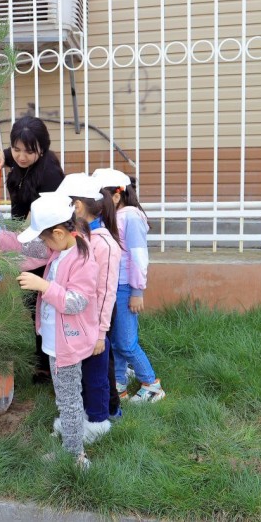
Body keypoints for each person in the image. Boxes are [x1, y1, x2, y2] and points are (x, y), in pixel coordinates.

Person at [0, 193, 98, 469]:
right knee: (64, 398)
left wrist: (43, 286)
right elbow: (29, 249)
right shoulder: (59, 247)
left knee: (68, 401)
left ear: (58, 232)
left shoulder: (81, 258)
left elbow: (77, 301)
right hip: (57, 339)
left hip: (67, 343)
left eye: (44, 238)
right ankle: (71, 448)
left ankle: (76, 457)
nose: (42, 244)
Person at [0, 116, 65, 382]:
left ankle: (51, 363)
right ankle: (43, 358)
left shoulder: (49, 174)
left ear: (41, 148)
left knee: (45, 304)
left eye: (28, 151)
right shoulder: (21, 158)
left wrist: (12, 247)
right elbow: (12, 153)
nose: (20, 156)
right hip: (25, 237)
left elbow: (47, 222)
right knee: (33, 304)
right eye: (16, 149)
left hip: (45, 244)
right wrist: (2, 155)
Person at [53, 173, 122, 443]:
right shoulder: (77, 237)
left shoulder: (104, 244)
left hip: (96, 323)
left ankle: (99, 420)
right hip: (78, 320)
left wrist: (101, 333)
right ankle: (81, 415)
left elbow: (106, 293)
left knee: (96, 374)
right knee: (81, 373)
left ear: (77, 207)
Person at [92, 168, 166, 403]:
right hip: (113, 287)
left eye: (100, 198)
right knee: (116, 340)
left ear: (116, 196)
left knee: (126, 342)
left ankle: (151, 384)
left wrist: (137, 291)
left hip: (125, 288)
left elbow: (138, 256)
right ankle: (119, 383)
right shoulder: (113, 215)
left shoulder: (131, 217)